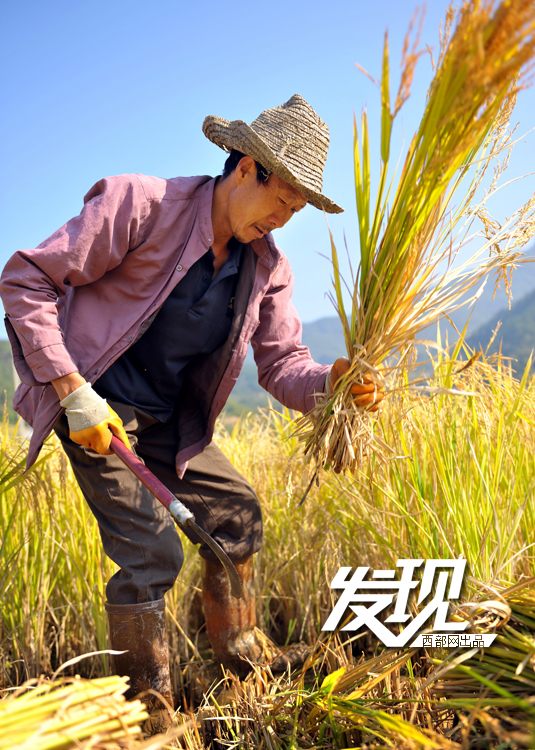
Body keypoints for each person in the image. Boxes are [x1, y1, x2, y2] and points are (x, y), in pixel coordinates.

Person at [0, 94, 383, 734]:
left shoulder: (266, 268)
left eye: (297, 211)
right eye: (283, 201)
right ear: (245, 168)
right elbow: (25, 280)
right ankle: (146, 713)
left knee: (235, 515)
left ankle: (243, 668)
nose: (285, 220)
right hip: (98, 412)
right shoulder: (141, 205)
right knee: (152, 552)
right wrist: (72, 392)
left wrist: (335, 383)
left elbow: (284, 364)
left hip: (172, 425)